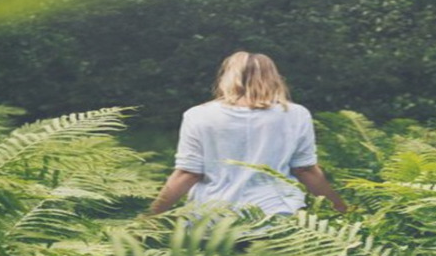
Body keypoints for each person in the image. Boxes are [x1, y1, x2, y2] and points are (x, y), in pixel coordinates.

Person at [147, 51, 348, 217]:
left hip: (213, 220)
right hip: (278, 218)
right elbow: (306, 171)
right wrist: (343, 212)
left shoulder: (198, 115)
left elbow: (188, 173)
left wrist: (149, 218)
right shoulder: (295, 114)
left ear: (227, 77)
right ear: (274, 78)